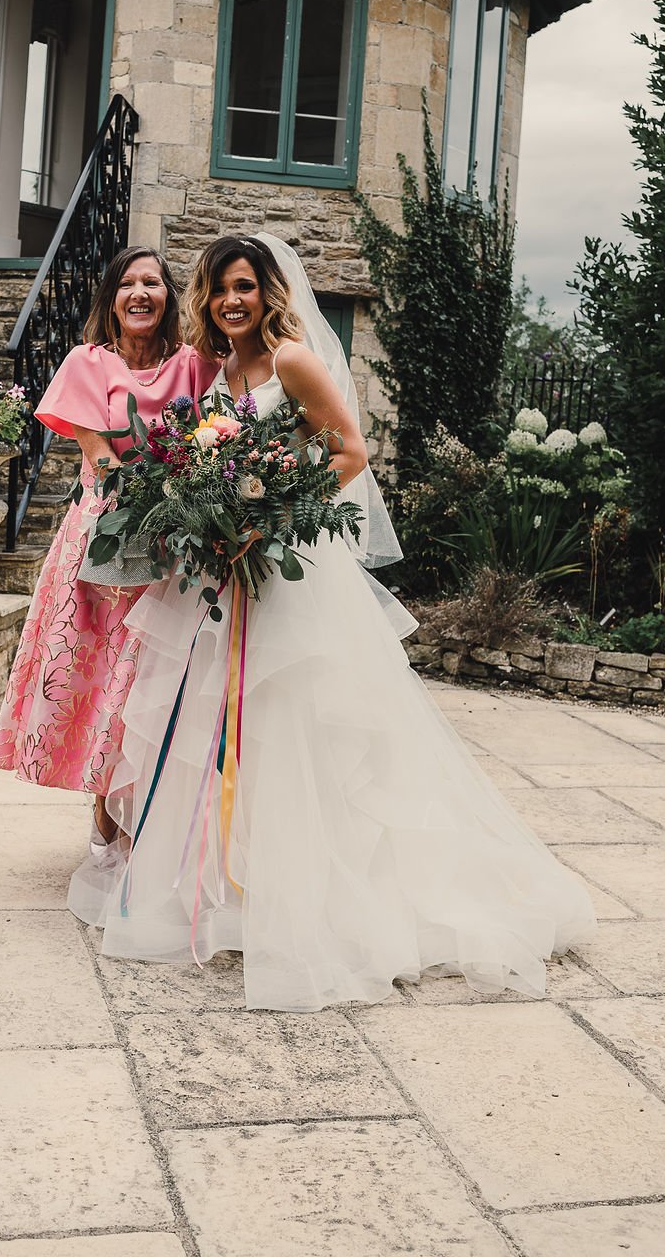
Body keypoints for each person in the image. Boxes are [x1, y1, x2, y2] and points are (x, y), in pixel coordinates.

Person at [68, 234, 596, 1010]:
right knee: (220, 734)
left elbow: (348, 452)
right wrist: (215, 508)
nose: (231, 302)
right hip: (225, 567)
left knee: (297, 730)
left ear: (269, 291)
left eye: (244, 286)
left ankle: (316, 897)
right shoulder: (220, 372)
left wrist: (271, 505)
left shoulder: (292, 361)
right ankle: (234, 888)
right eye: (219, 290)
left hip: (287, 571)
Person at [0, 246, 218, 851]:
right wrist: (148, 502)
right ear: (111, 299)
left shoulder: (194, 365)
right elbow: (101, 457)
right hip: (105, 536)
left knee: (155, 681)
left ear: (170, 297)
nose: (140, 294)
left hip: (178, 538)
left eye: (153, 283)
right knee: (106, 676)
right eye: (127, 285)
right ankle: (105, 819)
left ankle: (159, 827)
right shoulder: (87, 363)